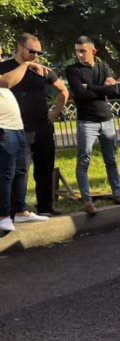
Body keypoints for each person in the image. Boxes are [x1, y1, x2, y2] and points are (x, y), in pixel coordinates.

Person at [0, 33, 69, 217]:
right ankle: (16, 210)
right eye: (32, 51)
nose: (36, 56)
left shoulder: (42, 70)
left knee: (45, 168)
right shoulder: (5, 68)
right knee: (16, 170)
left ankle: (45, 207)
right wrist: (25, 66)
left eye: (39, 52)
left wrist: (55, 112)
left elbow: (63, 91)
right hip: (15, 128)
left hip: (42, 126)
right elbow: (6, 83)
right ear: (20, 47)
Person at [65, 36, 120, 215]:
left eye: (83, 51)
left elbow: (114, 91)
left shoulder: (102, 67)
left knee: (111, 159)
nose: (79, 55)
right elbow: (79, 95)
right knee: (84, 161)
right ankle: (87, 200)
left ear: (93, 51)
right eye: (77, 51)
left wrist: (90, 87)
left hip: (106, 119)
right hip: (87, 121)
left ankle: (117, 194)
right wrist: (99, 88)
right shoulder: (72, 70)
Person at [0, 44, 50, 232]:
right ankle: (3, 215)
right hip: (3, 129)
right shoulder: (5, 74)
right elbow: (6, 82)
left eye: (1, 53)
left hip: (16, 128)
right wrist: (26, 64)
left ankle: (20, 211)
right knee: (5, 174)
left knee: (20, 171)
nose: (0, 57)